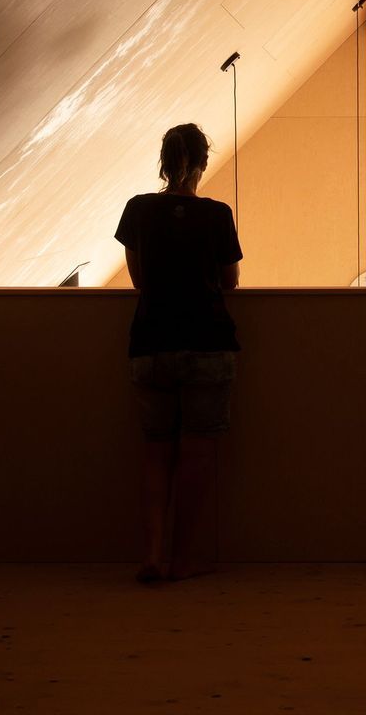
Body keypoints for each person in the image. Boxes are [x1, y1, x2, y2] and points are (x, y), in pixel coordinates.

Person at [115, 123, 242, 583]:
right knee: (197, 454)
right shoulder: (217, 214)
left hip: (150, 342)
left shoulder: (138, 211)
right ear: (203, 163)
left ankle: (150, 554)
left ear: (164, 162)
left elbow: (139, 279)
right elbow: (229, 282)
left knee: (156, 451)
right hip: (207, 342)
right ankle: (182, 558)